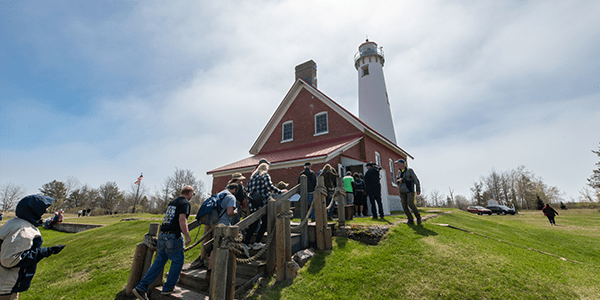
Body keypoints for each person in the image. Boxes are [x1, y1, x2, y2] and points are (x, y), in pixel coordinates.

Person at [133, 186, 194, 299]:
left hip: (162, 234)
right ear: (189, 193)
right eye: (193, 194)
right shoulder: (185, 203)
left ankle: (141, 287)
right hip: (173, 236)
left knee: (159, 262)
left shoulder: (173, 202)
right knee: (178, 260)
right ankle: (168, 287)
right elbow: (182, 219)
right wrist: (187, 235)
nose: (192, 196)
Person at [0, 195, 66, 299]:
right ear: (34, 210)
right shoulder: (23, 229)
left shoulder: (16, 222)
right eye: (44, 207)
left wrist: (55, 221)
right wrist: (46, 251)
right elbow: (9, 260)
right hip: (5, 287)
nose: (46, 210)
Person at [243, 162, 285, 250]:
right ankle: (257, 242)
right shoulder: (265, 175)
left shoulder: (251, 178)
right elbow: (269, 186)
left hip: (253, 204)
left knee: (253, 224)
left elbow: (247, 190)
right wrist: (280, 191)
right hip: (263, 203)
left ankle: (246, 243)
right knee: (265, 223)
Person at [205, 184, 240, 280]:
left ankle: (209, 270)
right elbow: (229, 212)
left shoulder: (220, 194)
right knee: (221, 247)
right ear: (234, 189)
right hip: (224, 224)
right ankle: (217, 272)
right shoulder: (231, 197)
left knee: (215, 246)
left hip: (215, 223)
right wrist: (236, 211)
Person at [396, 159, 422, 225]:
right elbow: (397, 180)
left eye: (398, 163)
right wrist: (398, 181)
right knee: (404, 205)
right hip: (402, 191)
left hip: (409, 190)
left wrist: (418, 189)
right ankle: (410, 219)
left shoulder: (409, 170)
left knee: (410, 203)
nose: (397, 165)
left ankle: (418, 217)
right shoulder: (399, 172)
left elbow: (416, 180)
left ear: (402, 164)